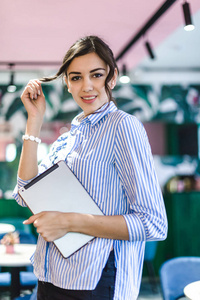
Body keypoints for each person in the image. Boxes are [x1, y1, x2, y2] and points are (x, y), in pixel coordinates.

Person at [13, 35, 167, 300]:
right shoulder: (68, 137)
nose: (87, 86)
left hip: (95, 281)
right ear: (67, 84)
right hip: (50, 274)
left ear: (113, 77)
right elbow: (25, 193)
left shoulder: (123, 127)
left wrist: (69, 221)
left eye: (96, 75)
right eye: (76, 77)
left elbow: (153, 223)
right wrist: (34, 122)